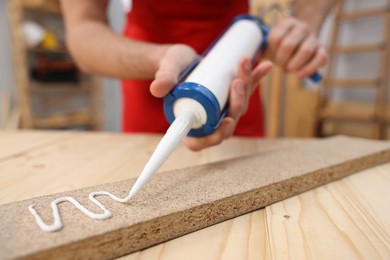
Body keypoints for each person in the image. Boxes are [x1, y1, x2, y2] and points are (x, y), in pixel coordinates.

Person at [60, 0, 335, 151]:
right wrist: (158, 59)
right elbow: (84, 27)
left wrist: (303, 28)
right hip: (151, 73)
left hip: (236, 79)